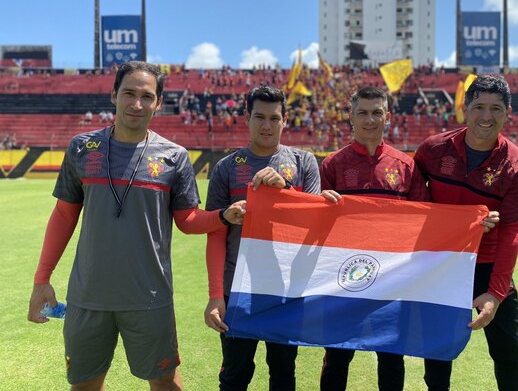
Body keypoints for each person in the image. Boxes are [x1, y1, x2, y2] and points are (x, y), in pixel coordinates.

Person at [27, 61, 246, 391]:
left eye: (147, 96)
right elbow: (63, 215)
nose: (136, 104)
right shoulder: (82, 148)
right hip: (89, 297)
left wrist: (221, 216)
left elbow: (187, 220)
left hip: (150, 297)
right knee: (84, 385)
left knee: (165, 383)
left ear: (159, 102)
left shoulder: (175, 156)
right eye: (128, 93)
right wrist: (42, 279)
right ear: (114, 94)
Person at [415, 75, 518, 391]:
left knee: (509, 352)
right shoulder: (432, 150)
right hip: (442, 263)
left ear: (507, 112)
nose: (486, 116)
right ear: (464, 108)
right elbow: (414, 203)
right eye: (479, 106)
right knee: (438, 353)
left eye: (496, 108)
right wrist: (457, 223)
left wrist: (495, 293)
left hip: (490, 264)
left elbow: (512, 232)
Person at [203, 84, 321, 390]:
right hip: (237, 289)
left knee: (283, 373)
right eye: (259, 117)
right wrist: (216, 295)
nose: (267, 125)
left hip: (286, 290)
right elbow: (215, 235)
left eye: (274, 118)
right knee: (235, 374)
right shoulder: (226, 168)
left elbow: (315, 224)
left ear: (284, 120)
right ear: (246, 117)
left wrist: (285, 191)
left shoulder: (304, 162)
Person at [319, 86, 430, 391]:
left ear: (388, 117)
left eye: (377, 113)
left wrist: (473, 222)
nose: (370, 120)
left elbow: (425, 220)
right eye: (363, 113)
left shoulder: (406, 166)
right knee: (338, 356)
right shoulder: (332, 165)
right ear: (350, 117)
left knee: (392, 356)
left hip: (393, 278)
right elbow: (317, 226)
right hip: (344, 278)